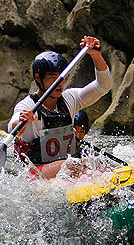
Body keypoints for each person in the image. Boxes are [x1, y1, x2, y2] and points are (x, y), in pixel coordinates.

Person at [8, 36, 112, 179]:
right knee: (69, 165)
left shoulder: (70, 98)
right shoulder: (28, 106)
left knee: (96, 162)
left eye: (61, 77)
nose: (60, 83)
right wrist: (22, 121)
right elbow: (13, 127)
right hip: (37, 172)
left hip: (67, 167)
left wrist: (96, 55)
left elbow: (103, 86)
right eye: (52, 77)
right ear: (38, 78)